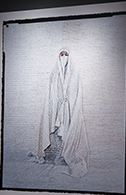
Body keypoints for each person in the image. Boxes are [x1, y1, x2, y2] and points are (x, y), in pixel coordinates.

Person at [34, 48, 89, 178]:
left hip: (69, 109)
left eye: (66, 54)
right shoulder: (54, 73)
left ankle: (67, 154)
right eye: (61, 54)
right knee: (55, 135)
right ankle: (54, 156)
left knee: (69, 131)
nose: (64, 57)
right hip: (56, 108)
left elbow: (76, 91)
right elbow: (50, 92)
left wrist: (70, 104)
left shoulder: (75, 73)